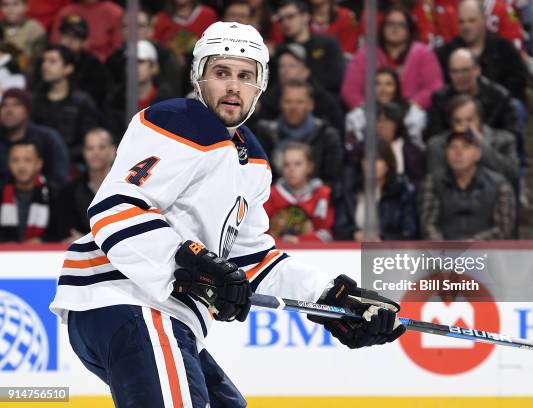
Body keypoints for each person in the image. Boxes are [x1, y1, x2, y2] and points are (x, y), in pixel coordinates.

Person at [50, 22, 405, 407]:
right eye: (221, 73)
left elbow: (251, 260)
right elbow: (114, 208)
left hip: (172, 318)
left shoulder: (251, 159)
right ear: (198, 78)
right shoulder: (178, 121)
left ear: (260, 86)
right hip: (125, 298)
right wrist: (189, 261)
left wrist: (334, 300)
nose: (233, 86)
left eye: (245, 76)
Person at [341, 5, 443, 111]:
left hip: (413, 113)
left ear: (409, 29)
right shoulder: (365, 54)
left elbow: (434, 87)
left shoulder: (424, 53)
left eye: (401, 24)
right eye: (390, 24)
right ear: (382, 27)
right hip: (371, 114)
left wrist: (412, 107)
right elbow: (350, 91)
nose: (395, 28)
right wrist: (365, 110)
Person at [420, 130, 516, 240]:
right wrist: (445, 251)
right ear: (445, 153)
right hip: (442, 253)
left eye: (466, 147)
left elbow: (503, 229)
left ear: (478, 154)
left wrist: (468, 247)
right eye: (452, 147)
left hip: (487, 253)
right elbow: (428, 225)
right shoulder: (433, 182)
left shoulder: (499, 185)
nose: (458, 152)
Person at [436, 0, 527, 104]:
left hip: (499, 108)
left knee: (515, 106)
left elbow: (517, 83)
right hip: (458, 110)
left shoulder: (504, 49)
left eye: (472, 21)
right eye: (462, 22)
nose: (466, 27)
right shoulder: (446, 53)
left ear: (483, 20)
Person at [255, 79, 343, 184]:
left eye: (299, 102)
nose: (293, 107)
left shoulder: (327, 136)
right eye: (288, 101)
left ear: (311, 105)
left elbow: (333, 180)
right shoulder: (265, 134)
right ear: (280, 104)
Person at [425, 47, 519, 140]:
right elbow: (434, 136)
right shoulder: (441, 98)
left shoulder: (499, 96)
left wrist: (483, 139)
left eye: (464, 70)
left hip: (491, 149)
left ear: (477, 70)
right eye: (454, 71)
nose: (460, 76)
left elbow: (511, 135)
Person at [31, 44, 103, 165]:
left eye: (52, 61)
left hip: (74, 163)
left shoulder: (82, 101)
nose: (45, 66)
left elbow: (90, 138)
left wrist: (61, 154)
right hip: (39, 163)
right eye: (44, 61)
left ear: (68, 68)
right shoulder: (36, 99)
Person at [334, 140, 419, 241]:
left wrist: (383, 240)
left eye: (377, 159)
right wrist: (354, 234)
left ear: (387, 164)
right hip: (354, 251)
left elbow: (410, 232)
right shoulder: (350, 190)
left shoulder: (402, 192)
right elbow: (339, 227)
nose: (371, 164)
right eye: (367, 159)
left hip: (391, 253)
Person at [426, 94, 519, 187]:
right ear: (451, 123)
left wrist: (481, 144)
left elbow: (511, 177)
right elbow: (438, 184)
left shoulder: (505, 140)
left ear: (480, 120)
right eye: (458, 121)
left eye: (469, 120)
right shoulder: (437, 145)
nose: (464, 127)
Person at [255, 42, 344, 134]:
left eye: (292, 66)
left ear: (306, 71)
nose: (285, 70)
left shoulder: (324, 102)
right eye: (281, 66)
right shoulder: (267, 101)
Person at [264, 142, 334, 243]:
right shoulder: (270, 194)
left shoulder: (322, 194)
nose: (291, 169)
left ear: (309, 167)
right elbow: (260, 232)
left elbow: (326, 234)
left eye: (298, 164)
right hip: (277, 253)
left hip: (312, 254)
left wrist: (299, 241)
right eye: (286, 165)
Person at [54, 128, 115, 242]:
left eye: (101, 147)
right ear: (84, 153)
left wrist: (86, 240)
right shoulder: (68, 193)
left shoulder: (128, 188)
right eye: (90, 148)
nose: (95, 153)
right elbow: (67, 235)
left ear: (113, 151)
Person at [345, 67, 427, 152]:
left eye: (388, 84)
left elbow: (417, 147)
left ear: (397, 87)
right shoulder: (358, 115)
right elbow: (352, 148)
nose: (383, 89)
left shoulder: (412, 113)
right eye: (377, 84)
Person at [0, 88, 69, 186]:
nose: (9, 110)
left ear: (27, 110)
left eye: (16, 105)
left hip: (44, 197)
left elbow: (59, 179)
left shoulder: (48, 138)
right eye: (4, 105)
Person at [277, 0, 345, 94]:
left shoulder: (328, 44)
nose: (285, 22)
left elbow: (337, 79)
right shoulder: (280, 51)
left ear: (305, 16)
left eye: (290, 17)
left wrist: (307, 79)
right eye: (281, 19)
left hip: (325, 102)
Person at [0, 140, 58, 242]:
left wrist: (42, 241)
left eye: (27, 160)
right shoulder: (2, 193)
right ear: (8, 164)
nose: (21, 166)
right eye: (15, 160)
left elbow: (61, 234)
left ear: (39, 164)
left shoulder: (55, 195)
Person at [54, 13, 111, 107]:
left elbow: (94, 101)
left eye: (76, 36)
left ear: (85, 42)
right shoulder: (47, 61)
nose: (69, 40)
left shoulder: (94, 67)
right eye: (66, 35)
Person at [50, 0, 123, 62]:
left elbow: (118, 48)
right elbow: (55, 45)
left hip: (105, 65)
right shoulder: (64, 13)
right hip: (67, 63)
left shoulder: (115, 13)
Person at [0, 0, 47, 73]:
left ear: (25, 7)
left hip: (27, 75)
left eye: (15, 4)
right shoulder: (1, 26)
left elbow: (39, 62)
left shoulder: (35, 29)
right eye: (5, 5)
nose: (10, 9)